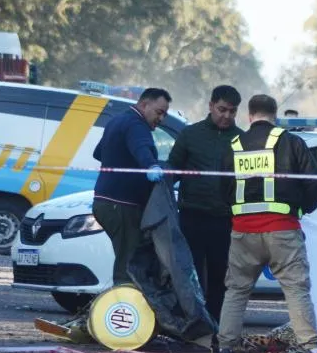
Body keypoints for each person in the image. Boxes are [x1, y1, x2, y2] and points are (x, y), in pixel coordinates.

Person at [216, 94, 317, 353]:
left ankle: (225, 347)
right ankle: (312, 349)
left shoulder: (234, 145)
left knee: (236, 290)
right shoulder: (290, 142)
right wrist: (303, 209)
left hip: (242, 232)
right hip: (282, 229)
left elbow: (222, 188)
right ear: (275, 116)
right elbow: (314, 184)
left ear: (249, 116)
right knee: (296, 289)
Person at [168, 85, 243, 326]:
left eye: (232, 112)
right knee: (191, 274)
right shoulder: (190, 135)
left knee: (221, 276)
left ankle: (215, 325)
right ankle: (191, 323)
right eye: (222, 109)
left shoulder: (242, 139)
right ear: (210, 106)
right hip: (192, 216)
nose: (226, 116)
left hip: (226, 219)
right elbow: (173, 170)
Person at [92, 88, 172, 286]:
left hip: (105, 202)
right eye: (159, 112)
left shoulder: (117, 121)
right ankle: (123, 310)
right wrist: (151, 165)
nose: (161, 119)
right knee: (128, 266)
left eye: (164, 114)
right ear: (144, 104)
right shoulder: (137, 125)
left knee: (127, 256)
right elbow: (141, 148)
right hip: (121, 205)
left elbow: (98, 153)